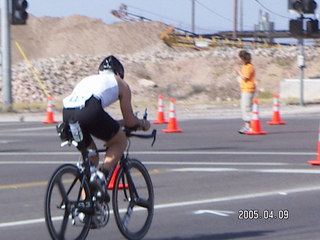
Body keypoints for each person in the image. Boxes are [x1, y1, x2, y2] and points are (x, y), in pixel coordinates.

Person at [62, 55, 150, 182]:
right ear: (119, 73)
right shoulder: (121, 83)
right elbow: (131, 121)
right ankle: (102, 175)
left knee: (91, 161)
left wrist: (120, 123)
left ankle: (87, 198)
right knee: (120, 141)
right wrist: (142, 123)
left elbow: (101, 122)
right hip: (89, 110)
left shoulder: (90, 79)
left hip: (68, 113)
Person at [235, 50, 256, 134]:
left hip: (248, 89)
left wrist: (238, 71)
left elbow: (245, 78)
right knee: (246, 107)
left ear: (242, 58)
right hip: (245, 89)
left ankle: (249, 126)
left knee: (246, 108)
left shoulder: (249, 67)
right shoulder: (245, 66)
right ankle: (248, 125)